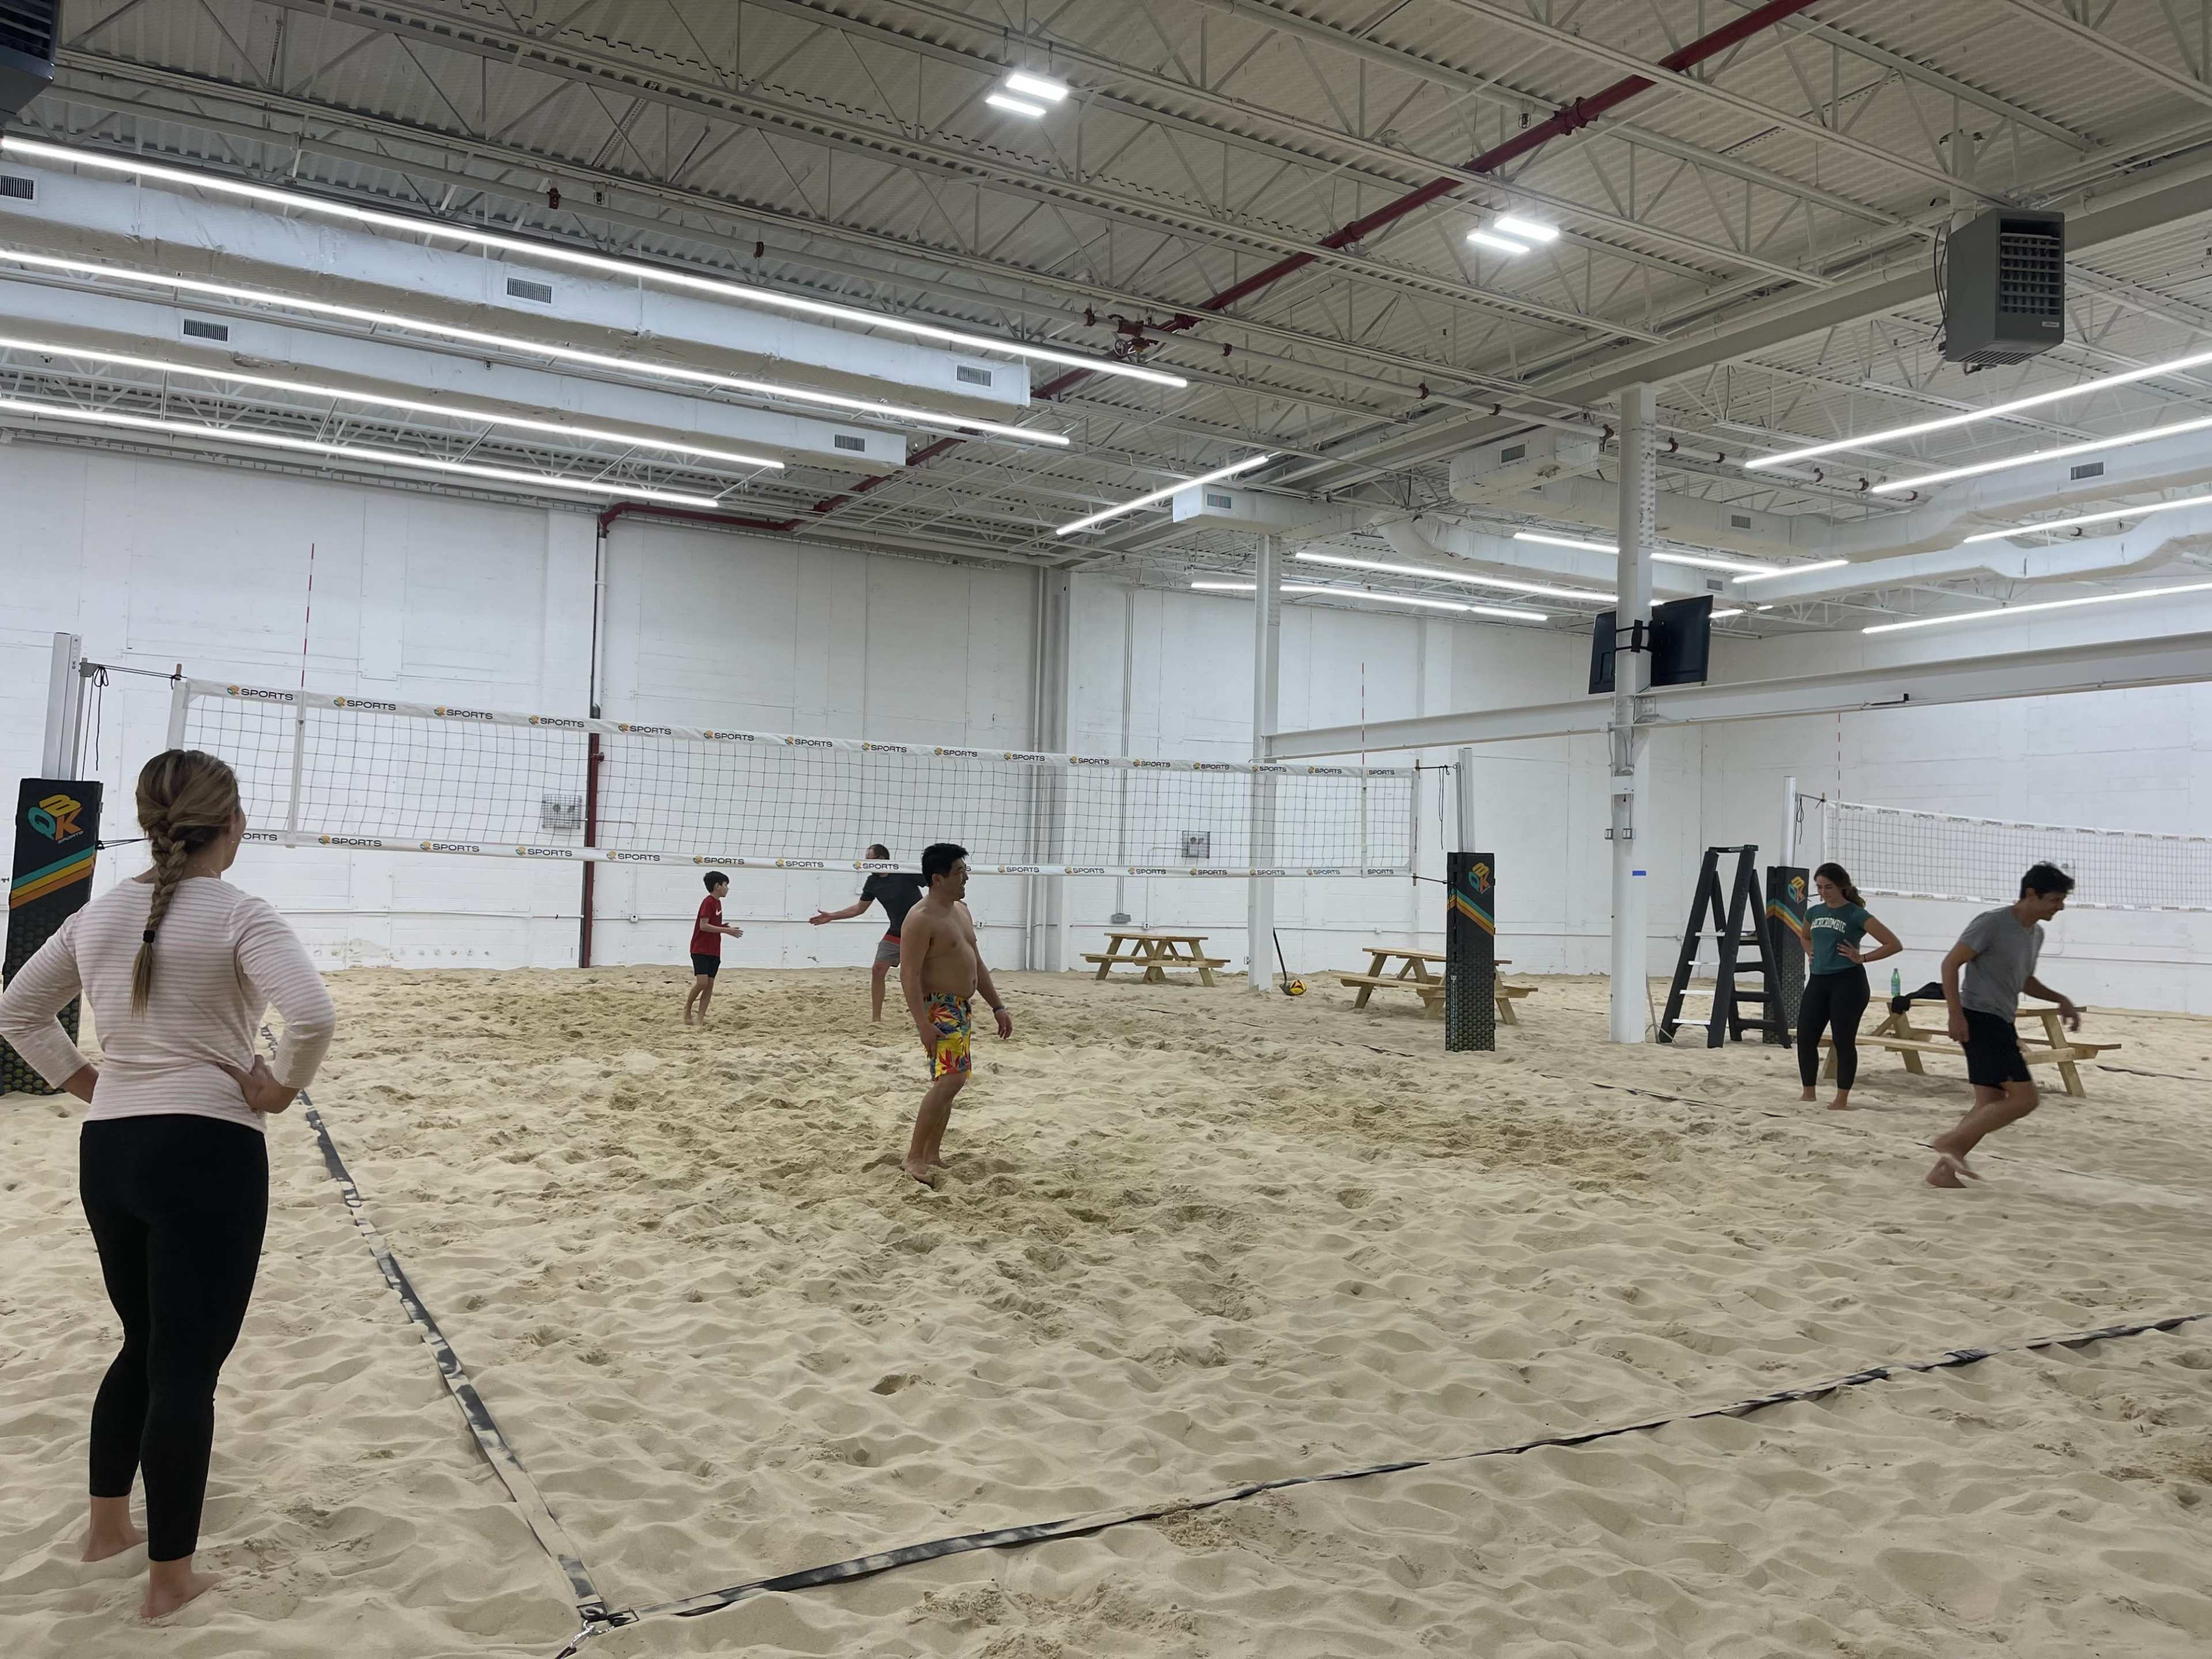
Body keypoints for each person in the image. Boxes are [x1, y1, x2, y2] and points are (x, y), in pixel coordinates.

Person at [0, 750, 336, 1621]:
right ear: (233, 823)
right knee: (186, 1369)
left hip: (112, 1150)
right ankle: (170, 1581)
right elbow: (313, 1014)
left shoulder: (97, 914)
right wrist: (278, 1088)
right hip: (206, 1150)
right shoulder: (240, 913)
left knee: (142, 1344)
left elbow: (17, 1013)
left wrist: (89, 1084)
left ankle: (106, 1529)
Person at [1926, 862, 2082, 1188]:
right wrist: (1955, 1014)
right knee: (2026, 1099)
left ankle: (1943, 1170)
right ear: (2031, 894)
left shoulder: (2035, 933)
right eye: (2055, 899)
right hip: (1980, 1018)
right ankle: (1950, 1143)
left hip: (2002, 1019)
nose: (2061, 906)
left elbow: (2024, 980)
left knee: (1990, 1104)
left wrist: (2059, 999)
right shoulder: (1993, 923)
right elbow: (1950, 964)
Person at [896, 843, 1011, 1187]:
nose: (966, 878)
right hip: (939, 1006)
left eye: (965, 871)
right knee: (951, 1080)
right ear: (937, 878)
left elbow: (976, 962)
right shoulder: (920, 918)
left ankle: (932, 1154)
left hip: (962, 1006)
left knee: (949, 1082)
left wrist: (998, 1006)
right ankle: (914, 1156)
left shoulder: (961, 909)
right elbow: (909, 975)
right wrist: (922, 1023)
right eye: (960, 872)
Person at [1795, 861, 1903, 1111]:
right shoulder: (1814, 913)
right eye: (1819, 888)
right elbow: (1805, 936)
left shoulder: (1856, 914)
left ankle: (1841, 1098)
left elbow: (1893, 944)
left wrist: (1862, 957)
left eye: (1829, 887)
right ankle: (1808, 1093)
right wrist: (1811, 952)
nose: (1823, 893)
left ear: (1843, 886)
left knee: (1843, 1039)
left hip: (1848, 982)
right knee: (1806, 1036)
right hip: (1818, 980)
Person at [808, 844, 926, 1022]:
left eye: (868, 859)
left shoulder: (903, 871)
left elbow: (937, 884)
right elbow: (859, 909)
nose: (865, 863)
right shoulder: (873, 882)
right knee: (878, 969)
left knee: (920, 974)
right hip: (897, 931)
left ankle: (926, 1013)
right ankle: (876, 1020)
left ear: (881, 860)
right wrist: (832, 916)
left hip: (920, 930)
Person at [684, 871, 743, 1027]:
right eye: (726, 885)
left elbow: (712, 925)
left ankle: (700, 1018)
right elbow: (703, 926)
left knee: (710, 984)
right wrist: (726, 931)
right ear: (717, 886)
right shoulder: (708, 902)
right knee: (702, 982)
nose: (728, 889)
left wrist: (723, 927)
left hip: (714, 949)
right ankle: (688, 1011)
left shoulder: (718, 903)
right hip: (700, 948)